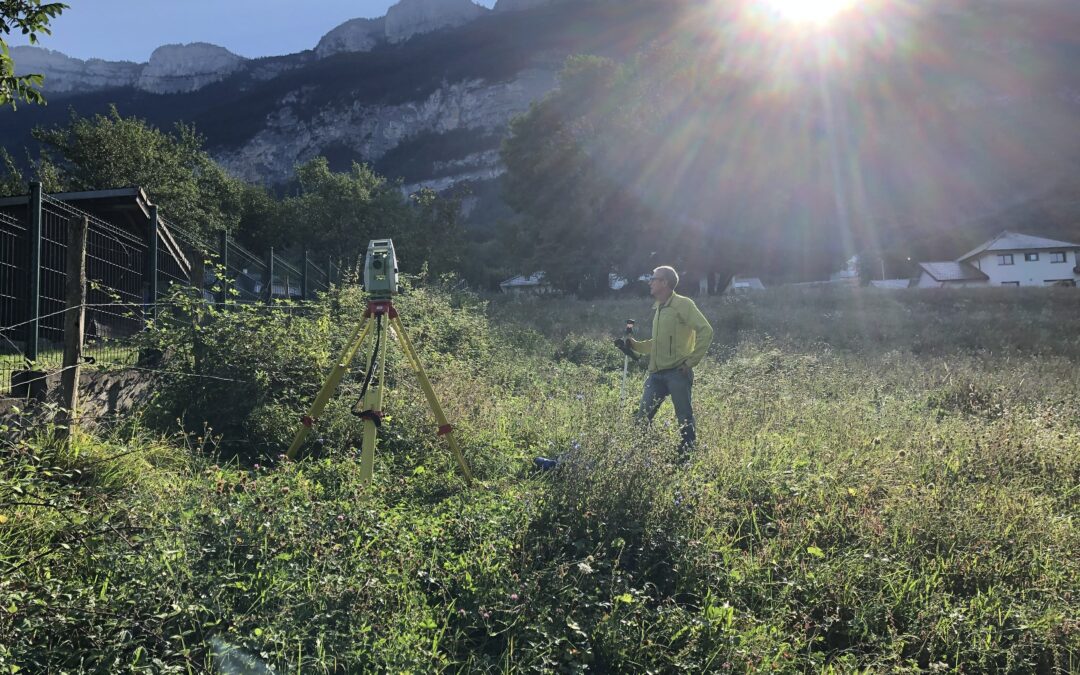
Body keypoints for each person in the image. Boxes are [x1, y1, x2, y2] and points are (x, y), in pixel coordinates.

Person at [616, 265, 713, 457]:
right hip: (656, 374)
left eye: (654, 278)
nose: (650, 282)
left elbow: (706, 331)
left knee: (684, 418)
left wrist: (691, 362)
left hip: (677, 373)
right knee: (642, 417)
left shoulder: (683, 304)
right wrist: (635, 345)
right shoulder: (659, 307)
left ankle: (686, 456)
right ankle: (637, 456)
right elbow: (658, 343)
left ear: (665, 282)